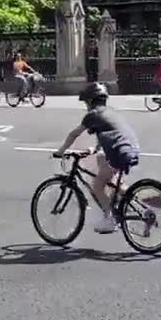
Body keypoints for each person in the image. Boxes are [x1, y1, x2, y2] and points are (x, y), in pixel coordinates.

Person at [54, 83, 141, 234]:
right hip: (131, 149)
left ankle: (110, 219)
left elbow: (74, 134)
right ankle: (143, 207)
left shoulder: (93, 115)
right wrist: (94, 149)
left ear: (90, 100)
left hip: (119, 152)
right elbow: (109, 134)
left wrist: (61, 151)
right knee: (113, 180)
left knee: (97, 186)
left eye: (86, 102)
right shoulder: (110, 112)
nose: (86, 106)